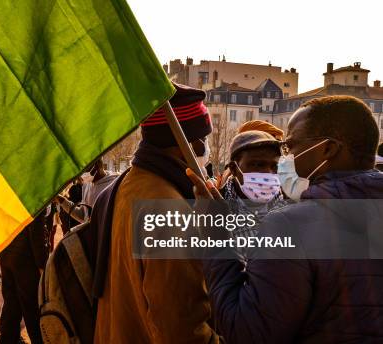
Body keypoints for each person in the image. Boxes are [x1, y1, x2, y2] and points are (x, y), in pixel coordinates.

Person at [190, 95, 383, 343]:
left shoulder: (289, 225)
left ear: (327, 149)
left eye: (290, 146)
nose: (286, 158)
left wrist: (214, 233)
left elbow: (246, 331)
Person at [93, 83, 219, 344]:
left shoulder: (127, 184)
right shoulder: (170, 211)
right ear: (190, 144)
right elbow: (183, 330)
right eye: (203, 140)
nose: (204, 150)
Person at [221, 130, 289, 241]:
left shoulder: (290, 206)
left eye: (275, 166)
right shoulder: (216, 208)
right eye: (257, 165)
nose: (268, 173)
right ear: (233, 168)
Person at [0, 210, 50, 344]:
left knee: (11, 303)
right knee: (32, 307)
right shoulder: (36, 196)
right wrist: (42, 263)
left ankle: (7, 339)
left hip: (7, 253)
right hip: (25, 259)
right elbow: (37, 231)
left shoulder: (9, 193)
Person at [56, 159, 117, 223]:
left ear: (97, 165)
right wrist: (61, 200)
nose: (80, 177)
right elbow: (83, 216)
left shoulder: (114, 183)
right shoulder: (86, 184)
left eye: (83, 170)